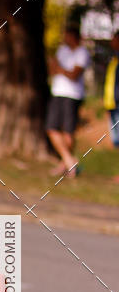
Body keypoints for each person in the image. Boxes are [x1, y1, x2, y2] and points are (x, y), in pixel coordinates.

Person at [46, 26, 90, 178]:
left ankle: (66, 164)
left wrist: (60, 69)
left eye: (67, 36)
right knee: (51, 127)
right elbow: (53, 70)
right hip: (57, 93)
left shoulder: (82, 53)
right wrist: (60, 69)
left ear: (74, 37)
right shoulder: (62, 51)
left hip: (73, 95)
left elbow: (74, 75)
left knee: (68, 131)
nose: (65, 39)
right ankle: (69, 161)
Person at [103, 30, 119, 155]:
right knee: (116, 140)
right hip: (112, 103)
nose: (111, 42)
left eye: (114, 39)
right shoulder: (113, 59)